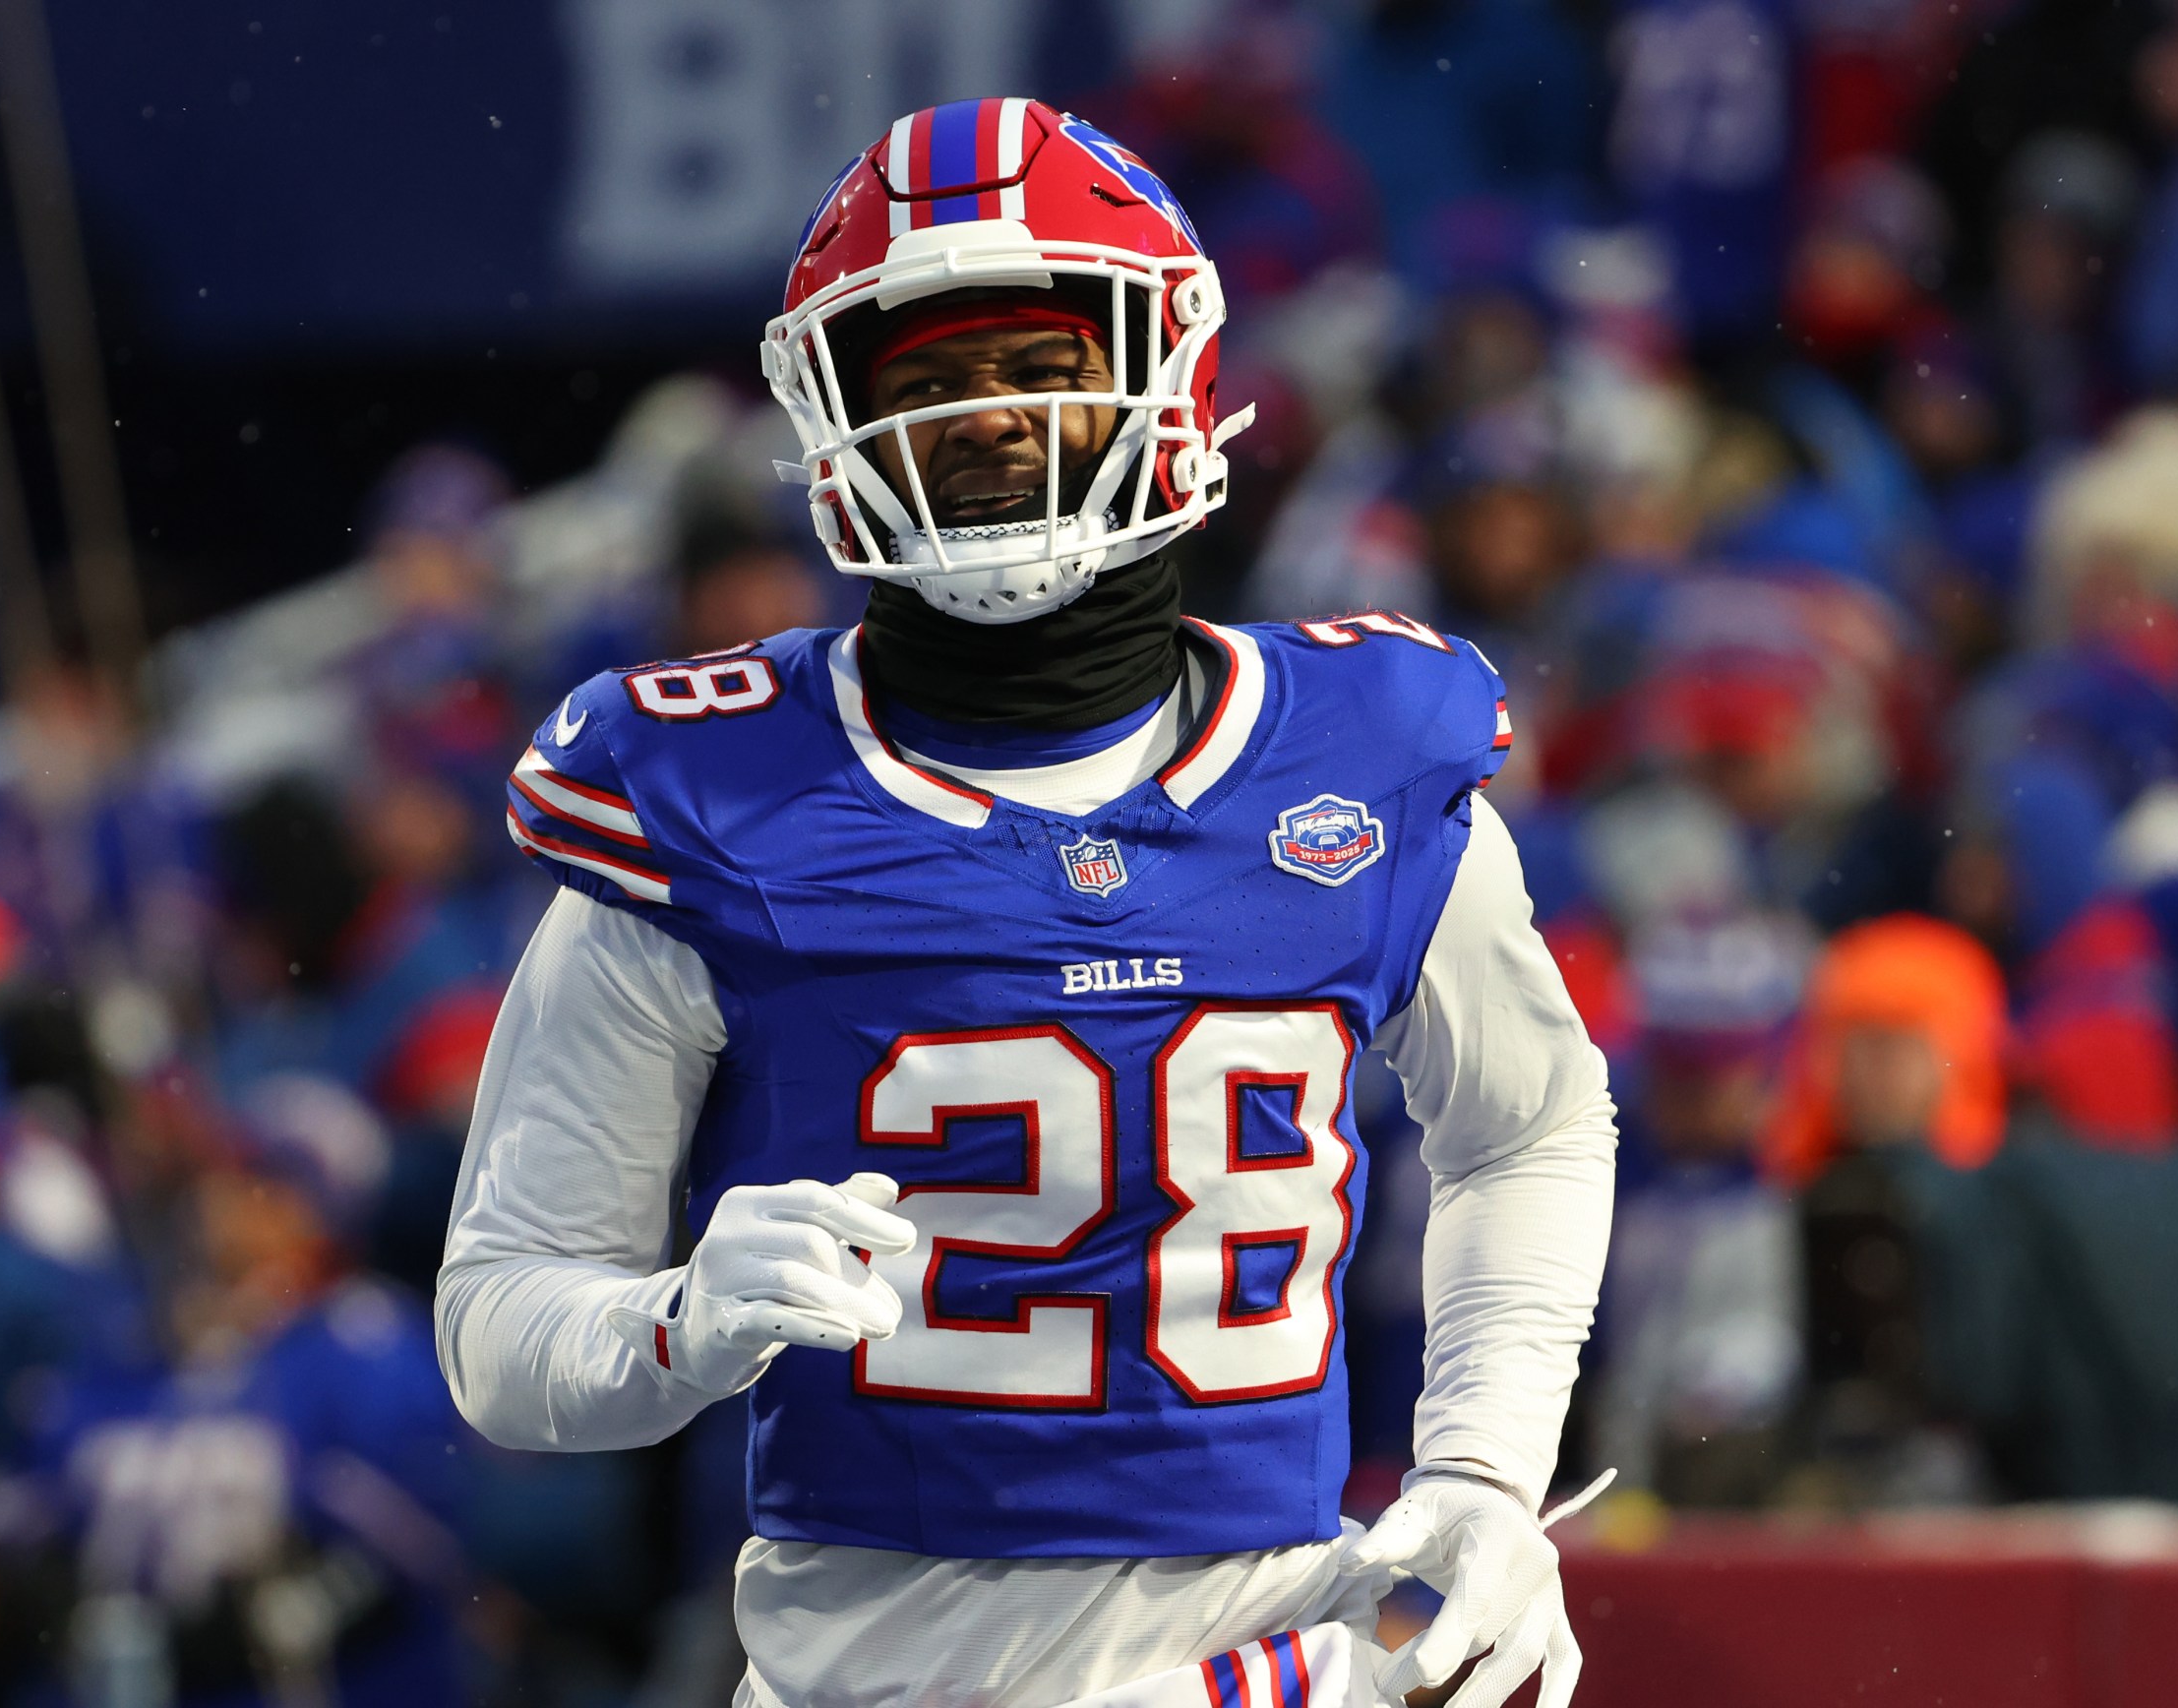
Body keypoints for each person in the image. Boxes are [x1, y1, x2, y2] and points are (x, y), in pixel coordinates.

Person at [436, 100, 1616, 1708]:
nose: (983, 420)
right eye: (924, 384)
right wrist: (677, 1324)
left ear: (1167, 372)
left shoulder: (1361, 756)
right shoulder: (712, 797)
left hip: (1267, 1662)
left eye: (1036, 365)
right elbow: (501, 1320)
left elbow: (1531, 1125)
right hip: (877, 1677)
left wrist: (1484, 1468)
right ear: (838, 424)